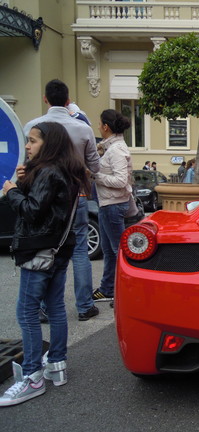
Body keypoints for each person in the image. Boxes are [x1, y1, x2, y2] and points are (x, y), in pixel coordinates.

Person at [0, 122, 91, 406]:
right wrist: (25, 181)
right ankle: (57, 365)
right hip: (58, 252)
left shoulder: (49, 172)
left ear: (48, 144)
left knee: (27, 313)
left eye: (33, 141)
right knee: (55, 308)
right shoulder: (67, 172)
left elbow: (32, 211)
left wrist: (12, 191)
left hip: (38, 252)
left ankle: (31, 377)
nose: (27, 146)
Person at [22, 79, 100, 322]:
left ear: (45, 99)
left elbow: (27, 163)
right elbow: (94, 165)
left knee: (46, 249)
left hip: (43, 197)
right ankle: (85, 306)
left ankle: (44, 306)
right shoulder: (83, 129)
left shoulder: (33, 126)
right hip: (76, 195)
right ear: (68, 101)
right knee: (79, 251)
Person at [91, 110, 133, 303]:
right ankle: (108, 288)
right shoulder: (112, 147)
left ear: (106, 127)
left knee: (118, 251)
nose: (98, 127)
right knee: (110, 250)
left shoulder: (116, 150)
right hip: (109, 203)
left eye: (99, 124)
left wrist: (96, 176)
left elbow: (121, 180)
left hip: (113, 204)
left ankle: (124, 291)